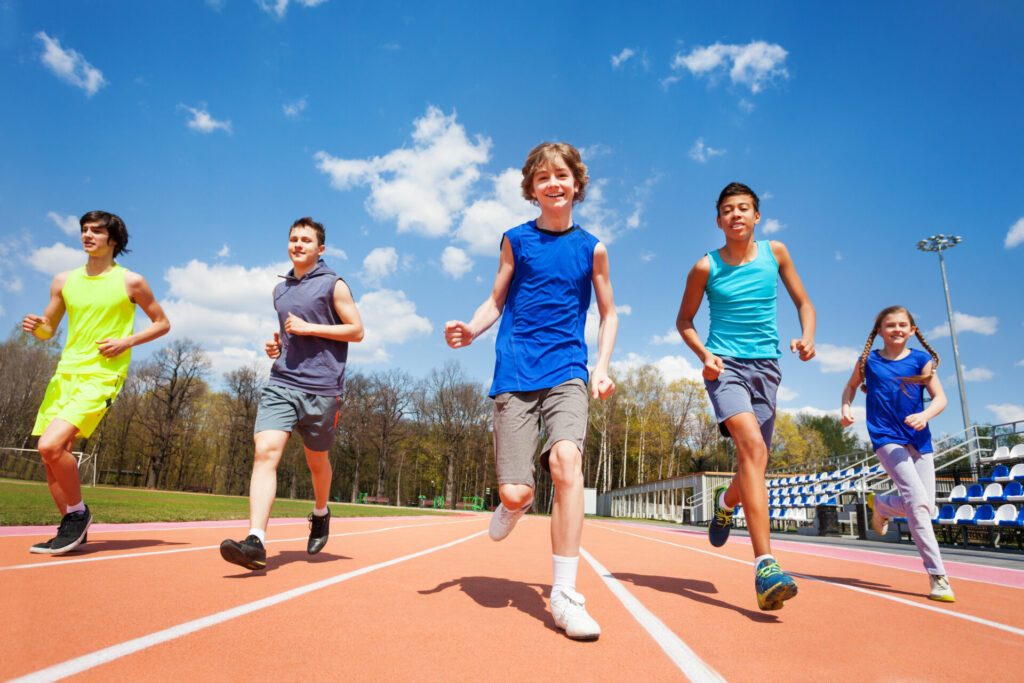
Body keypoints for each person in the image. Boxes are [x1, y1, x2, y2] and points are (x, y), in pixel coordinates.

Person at [445, 142, 618, 640]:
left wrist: (601, 366)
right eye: (543, 178)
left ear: (576, 184)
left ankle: (564, 594)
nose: (553, 184)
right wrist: (471, 329)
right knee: (517, 490)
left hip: (568, 369)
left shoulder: (593, 248)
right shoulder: (515, 241)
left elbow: (609, 313)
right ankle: (514, 503)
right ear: (532, 189)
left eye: (562, 175)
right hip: (517, 371)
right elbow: (496, 299)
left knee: (567, 463)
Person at [675, 182, 815, 610]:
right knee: (751, 447)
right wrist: (705, 354)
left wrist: (807, 337)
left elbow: (804, 303)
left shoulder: (778, 253)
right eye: (728, 210)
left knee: (755, 463)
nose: (736, 215)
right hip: (726, 369)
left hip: (767, 369)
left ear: (757, 217)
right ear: (718, 220)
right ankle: (766, 565)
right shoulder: (706, 266)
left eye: (744, 208)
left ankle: (726, 502)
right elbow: (684, 321)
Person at [220, 217, 363, 571]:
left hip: (323, 389)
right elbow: (287, 333)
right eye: (293, 239)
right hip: (282, 382)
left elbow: (357, 330)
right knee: (265, 453)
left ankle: (320, 512)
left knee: (317, 462)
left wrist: (308, 327)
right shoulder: (280, 290)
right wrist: (277, 345)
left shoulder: (334, 284)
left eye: (306, 240)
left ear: (320, 249)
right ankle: (255, 540)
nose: (298, 244)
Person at [24, 210, 170, 555]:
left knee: (50, 445)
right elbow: (50, 330)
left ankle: (78, 513)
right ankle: (72, 529)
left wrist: (126, 342)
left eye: (96, 231)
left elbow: (162, 323)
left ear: (113, 240)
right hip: (65, 374)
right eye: (84, 230)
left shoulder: (130, 281)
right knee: (52, 459)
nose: (87, 235)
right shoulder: (63, 281)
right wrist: (38, 328)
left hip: (102, 375)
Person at [840, 305, 954, 602]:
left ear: (913, 330)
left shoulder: (921, 360)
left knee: (926, 507)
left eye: (903, 325)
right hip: (886, 437)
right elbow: (850, 387)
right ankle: (938, 576)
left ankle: (883, 505)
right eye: (890, 325)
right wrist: (846, 407)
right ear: (879, 331)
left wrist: (925, 415)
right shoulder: (869, 361)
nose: (897, 329)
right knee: (917, 503)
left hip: (919, 438)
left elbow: (941, 398)